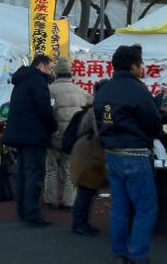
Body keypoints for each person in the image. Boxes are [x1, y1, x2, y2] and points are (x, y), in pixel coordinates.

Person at [94, 45, 162, 264]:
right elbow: (154, 124)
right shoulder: (138, 90)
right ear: (133, 66)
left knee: (120, 207)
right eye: (140, 64)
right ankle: (138, 255)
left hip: (112, 153)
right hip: (136, 154)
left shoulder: (103, 91)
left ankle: (120, 252)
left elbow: (100, 122)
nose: (142, 68)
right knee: (145, 208)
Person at [3, 55, 57, 227]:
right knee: (34, 174)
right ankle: (32, 212)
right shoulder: (38, 81)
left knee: (22, 173)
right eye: (49, 67)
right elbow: (44, 109)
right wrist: (53, 126)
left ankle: (22, 210)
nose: (50, 71)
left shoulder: (21, 81)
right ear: (42, 65)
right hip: (34, 135)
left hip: (19, 134)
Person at [45, 57, 92, 211]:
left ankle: (50, 199)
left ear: (56, 73)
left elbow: (46, 113)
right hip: (71, 138)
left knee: (51, 168)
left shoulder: (49, 90)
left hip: (53, 135)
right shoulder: (80, 92)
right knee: (68, 168)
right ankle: (69, 202)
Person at [70, 78, 108, 236]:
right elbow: (102, 132)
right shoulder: (101, 108)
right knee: (86, 190)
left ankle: (82, 223)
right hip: (89, 153)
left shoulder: (94, 106)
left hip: (85, 150)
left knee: (87, 190)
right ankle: (79, 224)